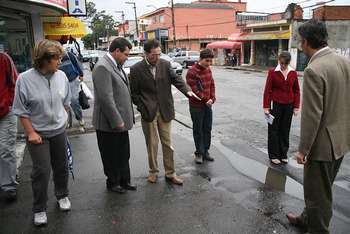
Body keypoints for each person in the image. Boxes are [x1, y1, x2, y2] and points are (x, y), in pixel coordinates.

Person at [286, 20, 350, 234]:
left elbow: (312, 116)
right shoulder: (344, 61)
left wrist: (303, 150)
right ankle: (306, 219)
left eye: (300, 42)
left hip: (322, 147)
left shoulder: (314, 69)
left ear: (305, 42)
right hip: (342, 140)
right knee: (323, 187)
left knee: (317, 195)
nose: (300, 46)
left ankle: (318, 229)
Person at [12, 40, 71, 226]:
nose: (60, 62)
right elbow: (21, 110)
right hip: (37, 133)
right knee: (42, 171)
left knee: (61, 166)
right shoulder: (25, 79)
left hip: (59, 130)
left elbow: (66, 102)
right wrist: (30, 133)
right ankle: (39, 208)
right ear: (44, 59)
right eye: (56, 58)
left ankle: (62, 195)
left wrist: (65, 120)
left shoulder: (61, 76)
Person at [130, 39, 199, 185]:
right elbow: (134, 93)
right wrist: (142, 106)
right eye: (154, 55)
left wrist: (188, 91)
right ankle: (153, 172)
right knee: (152, 145)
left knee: (167, 144)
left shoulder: (165, 64)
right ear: (146, 54)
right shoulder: (136, 69)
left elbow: (177, 80)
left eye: (159, 54)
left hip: (165, 110)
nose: (157, 57)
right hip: (148, 113)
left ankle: (170, 173)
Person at [92, 37, 136, 194]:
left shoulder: (116, 65)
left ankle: (125, 180)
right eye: (126, 54)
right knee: (111, 154)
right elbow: (105, 98)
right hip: (109, 123)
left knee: (124, 153)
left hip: (121, 121)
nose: (127, 58)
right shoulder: (103, 67)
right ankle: (113, 182)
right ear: (117, 51)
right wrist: (117, 121)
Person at [263, 51, 300, 165]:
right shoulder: (273, 72)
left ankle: (283, 153)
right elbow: (267, 90)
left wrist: (296, 106)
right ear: (279, 61)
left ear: (288, 62)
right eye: (281, 62)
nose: (283, 65)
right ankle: (274, 154)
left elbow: (296, 90)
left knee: (285, 129)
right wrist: (266, 106)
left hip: (288, 105)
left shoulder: (293, 73)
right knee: (274, 130)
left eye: (285, 63)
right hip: (276, 105)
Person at [186, 48, 216, 164]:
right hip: (196, 106)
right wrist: (206, 99)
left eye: (210, 61)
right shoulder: (192, 72)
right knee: (198, 130)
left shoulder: (208, 69)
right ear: (201, 59)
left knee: (207, 128)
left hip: (208, 104)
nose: (209, 64)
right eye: (207, 61)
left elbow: (212, 85)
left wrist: (212, 98)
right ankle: (199, 152)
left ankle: (206, 151)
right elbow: (194, 91)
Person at [0, 52, 18, 202]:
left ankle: (9, 187)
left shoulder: (3, 58)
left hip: (5, 111)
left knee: (6, 148)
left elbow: (14, 82)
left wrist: (9, 103)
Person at [59, 49, 85, 132]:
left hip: (73, 80)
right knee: (63, 102)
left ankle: (79, 117)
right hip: (61, 81)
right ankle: (65, 120)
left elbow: (77, 64)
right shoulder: (54, 58)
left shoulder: (69, 55)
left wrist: (81, 74)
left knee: (74, 100)